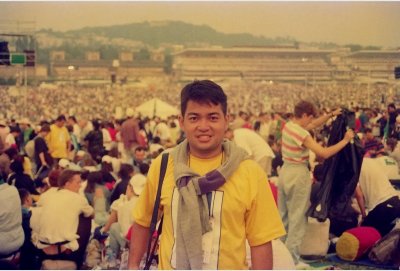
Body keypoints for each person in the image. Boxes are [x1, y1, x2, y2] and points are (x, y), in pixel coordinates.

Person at [128, 80, 285, 269]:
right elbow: (143, 221)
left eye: (212, 117)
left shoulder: (250, 172)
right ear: (182, 121)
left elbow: (260, 241)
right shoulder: (163, 164)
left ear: (226, 120)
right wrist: (133, 265)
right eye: (194, 118)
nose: (203, 126)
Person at [278, 100, 354, 267]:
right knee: (297, 221)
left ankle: (278, 258)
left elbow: (312, 124)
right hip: (298, 174)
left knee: (283, 219)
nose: (311, 121)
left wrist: (330, 115)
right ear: (304, 115)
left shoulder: (289, 126)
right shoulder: (302, 133)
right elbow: (324, 153)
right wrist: (345, 140)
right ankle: (289, 262)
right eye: (309, 117)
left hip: (285, 172)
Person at [30, 170, 94, 268]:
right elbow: (92, 214)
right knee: (86, 218)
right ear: (67, 184)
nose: (80, 185)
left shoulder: (46, 196)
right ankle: (79, 262)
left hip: (42, 248)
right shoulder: (79, 199)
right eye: (78, 182)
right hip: (65, 250)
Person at [359, 157, 400, 236]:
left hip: (381, 207)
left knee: (362, 235)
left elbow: (359, 195)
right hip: (395, 200)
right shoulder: (372, 162)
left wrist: (363, 215)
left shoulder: (354, 167)